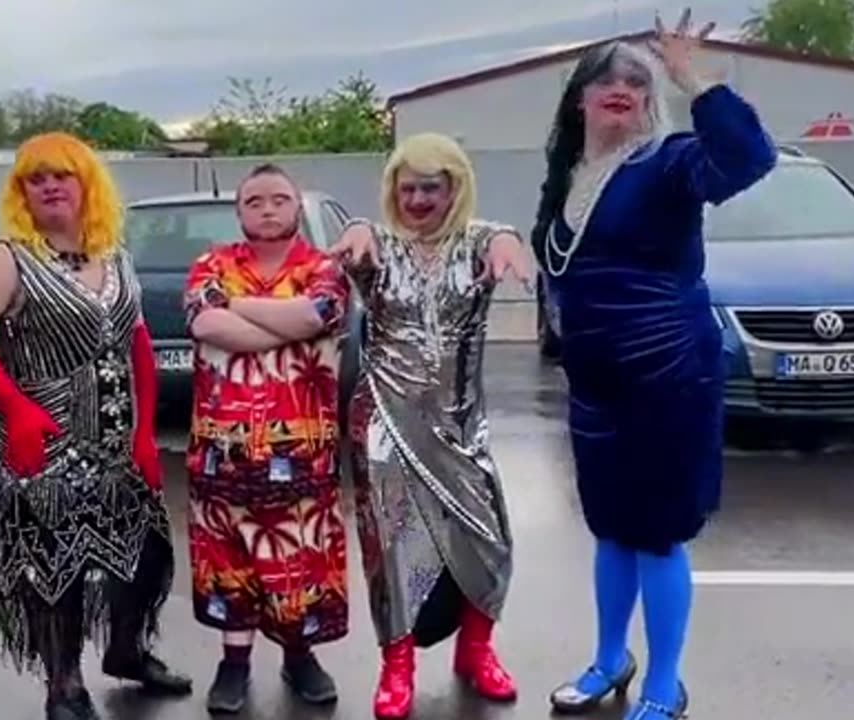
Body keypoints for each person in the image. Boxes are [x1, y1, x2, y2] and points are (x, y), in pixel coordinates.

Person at [528, 10, 777, 720]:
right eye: (604, 78)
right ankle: (611, 658)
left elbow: (747, 160)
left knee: (659, 533)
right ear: (580, 98)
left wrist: (693, 79)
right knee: (610, 527)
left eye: (635, 80)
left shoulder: (667, 163)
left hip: (668, 380)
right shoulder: (570, 179)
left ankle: (666, 680)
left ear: (649, 98)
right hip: (597, 387)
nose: (620, 86)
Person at [0, 131, 191, 720]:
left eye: (62, 175)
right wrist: (15, 407)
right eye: (36, 178)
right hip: (44, 443)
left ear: (86, 185)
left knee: (145, 555)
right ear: (23, 193)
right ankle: (64, 686)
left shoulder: (114, 254)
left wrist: (146, 432)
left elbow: (138, 344)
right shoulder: (11, 259)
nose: (50, 186)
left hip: (119, 442)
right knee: (56, 567)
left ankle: (127, 650)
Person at [331, 133, 534, 719]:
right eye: (409, 186)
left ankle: (476, 652)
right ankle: (397, 667)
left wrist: (506, 240)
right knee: (392, 552)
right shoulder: (380, 245)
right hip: (386, 425)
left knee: (489, 542)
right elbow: (358, 241)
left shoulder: (476, 243)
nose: (418, 198)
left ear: (455, 189)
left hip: (461, 426)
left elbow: (503, 236)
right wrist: (361, 232)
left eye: (432, 187)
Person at [183, 163, 352, 714]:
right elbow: (204, 324)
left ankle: (299, 657)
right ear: (239, 212)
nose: (268, 209)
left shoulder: (322, 266)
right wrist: (288, 323)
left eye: (279, 199)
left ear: (296, 206)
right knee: (227, 559)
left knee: (299, 559)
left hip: (301, 450)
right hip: (221, 451)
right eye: (254, 201)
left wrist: (237, 308)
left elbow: (320, 312)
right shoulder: (213, 263)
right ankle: (233, 665)